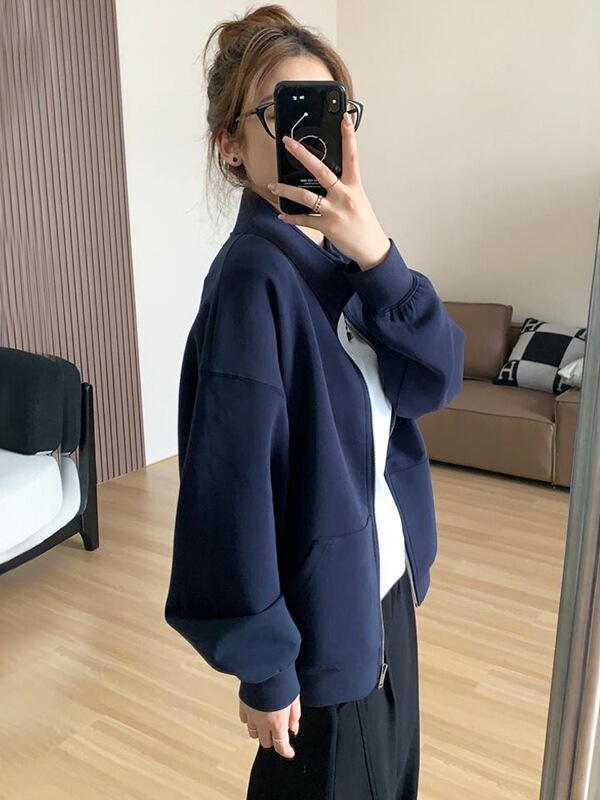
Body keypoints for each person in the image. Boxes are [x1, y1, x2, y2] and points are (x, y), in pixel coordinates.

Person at [164, 5, 466, 798]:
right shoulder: (252, 282)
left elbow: (435, 381)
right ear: (231, 146)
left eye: (329, 110)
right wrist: (263, 668)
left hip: (384, 599)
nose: (310, 136)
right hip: (322, 629)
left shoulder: (349, 262)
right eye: (284, 113)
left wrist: (381, 257)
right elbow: (231, 494)